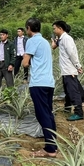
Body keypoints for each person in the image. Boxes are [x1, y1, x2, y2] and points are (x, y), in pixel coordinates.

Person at [22, 18, 57, 157]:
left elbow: (25, 63)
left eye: (26, 28)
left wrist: (29, 63)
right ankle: (53, 144)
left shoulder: (32, 41)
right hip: (49, 82)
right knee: (48, 113)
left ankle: (50, 149)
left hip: (38, 83)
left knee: (42, 114)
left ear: (29, 28)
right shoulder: (45, 42)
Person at [52, 21, 84, 121]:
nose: (54, 30)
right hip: (66, 70)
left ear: (60, 28)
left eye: (54, 28)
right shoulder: (62, 39)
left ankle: (79, 113)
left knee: (73, 91)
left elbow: (72, 53)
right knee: (68, 90)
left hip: (70, 70)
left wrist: (78, 66)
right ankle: (67, 108)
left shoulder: (66, 39)